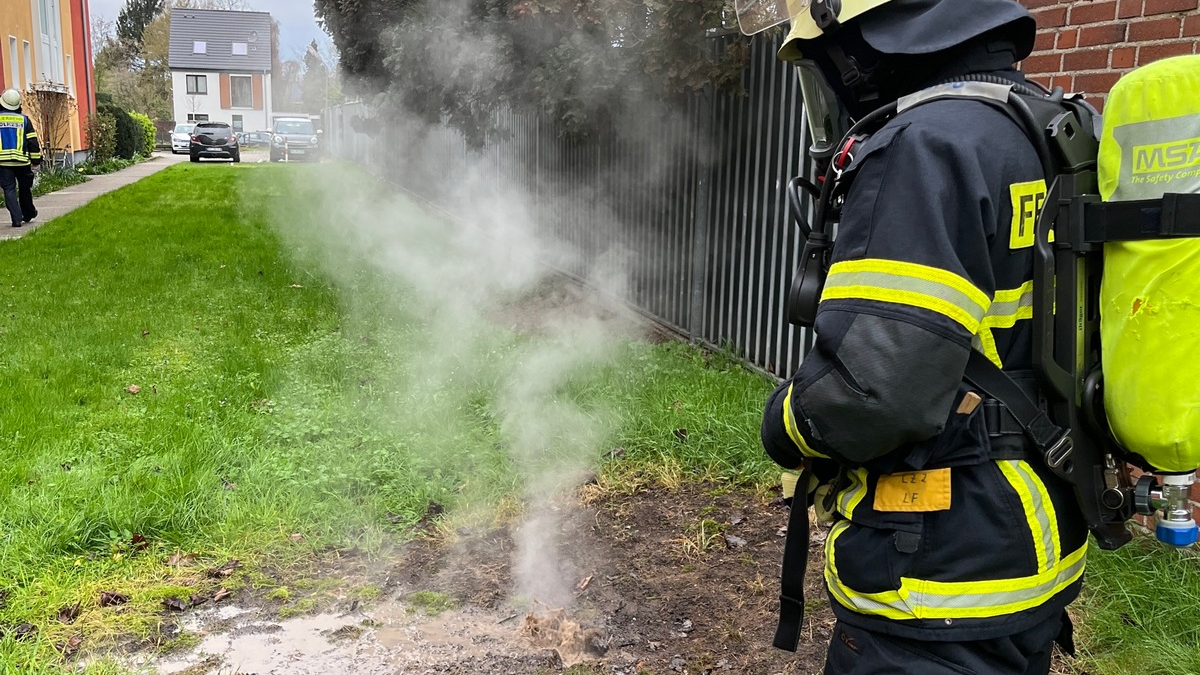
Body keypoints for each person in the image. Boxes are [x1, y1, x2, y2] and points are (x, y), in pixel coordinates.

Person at [740, 1, 1089, 673]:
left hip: (934, 576)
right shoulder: (1044, 125)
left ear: (865, 43)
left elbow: (874, 389)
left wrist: (785, 423)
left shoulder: (925, 145)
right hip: (1027, 546)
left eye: (826, 58)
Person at [0, 88, 42, 228]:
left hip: (3, 163)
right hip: (22, 162)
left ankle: (17, 219)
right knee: (24, 188)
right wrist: (35, 160)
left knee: (9, 190)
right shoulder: (24, 120)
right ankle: (29, 212)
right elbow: (32, 142)